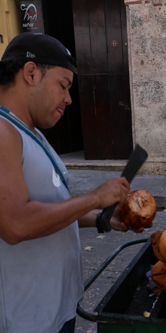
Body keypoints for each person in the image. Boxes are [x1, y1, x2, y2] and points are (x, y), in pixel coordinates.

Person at [0, 33, 144, 333]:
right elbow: (15, 224)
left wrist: (103, 220)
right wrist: (94, 198)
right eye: (63, 85)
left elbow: (49, 209)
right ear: (30, 73)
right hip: (25, 320)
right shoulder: (3, 132)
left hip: (56, 309)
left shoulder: (31, 133)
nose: (68, 98)